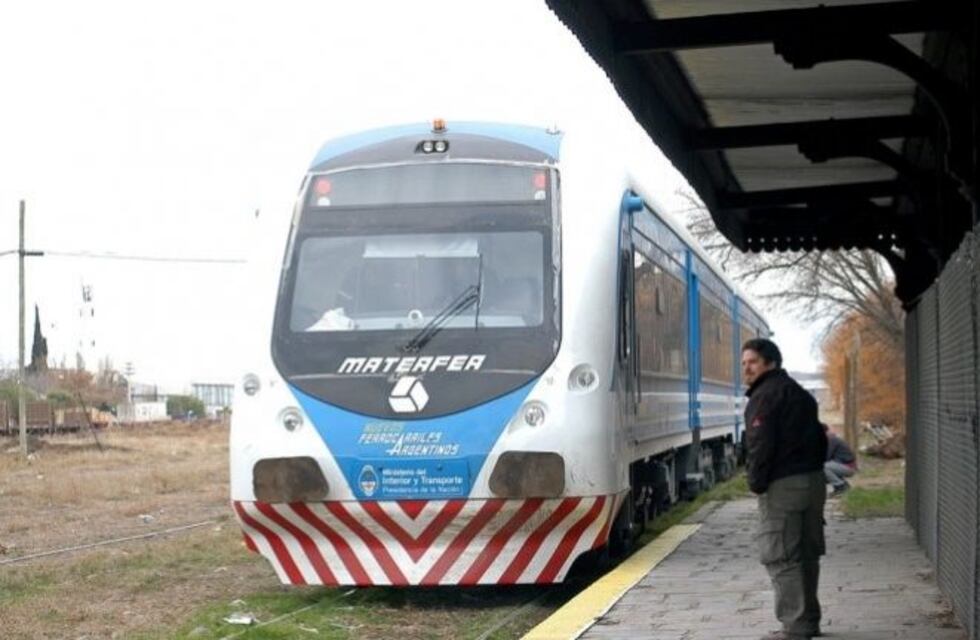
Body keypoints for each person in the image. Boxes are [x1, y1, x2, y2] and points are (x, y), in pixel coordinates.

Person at [742, 338, 829, 640]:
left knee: (780, 555)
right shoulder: (801, 394)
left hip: (783, 484)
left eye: (752, 362)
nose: (746, 369)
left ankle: (795, 626)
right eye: (744, 364)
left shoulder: (765, 396)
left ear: (770, 363)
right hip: (813, 481)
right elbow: (821, 437)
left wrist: (756, 482)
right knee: (806, 551)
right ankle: (809, 620)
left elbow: (759, 443)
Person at [824, 424, 857, 496]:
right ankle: (843, 485)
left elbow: (826, 457)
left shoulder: (831, 439)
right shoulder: (828, 439)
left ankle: (840, 486)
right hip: (842, 466)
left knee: (823, 467)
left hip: (848, 467)